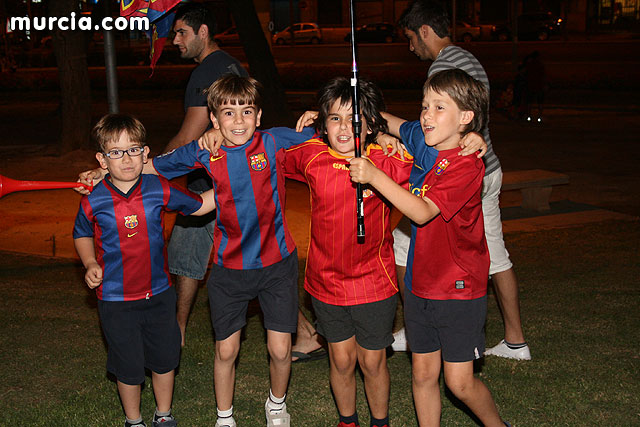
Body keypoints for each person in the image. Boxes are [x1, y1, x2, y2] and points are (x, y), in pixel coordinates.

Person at [101, 75, 314, 427]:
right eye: (228, 113)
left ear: (259, 116)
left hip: (278, 263)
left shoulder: (274, 141)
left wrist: (315, 118)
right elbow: (150, 166)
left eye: (247, 111)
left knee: (280, 349)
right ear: (213, 120)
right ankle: (224, 417)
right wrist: (103, 173)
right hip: (229, 268)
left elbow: (330, 141)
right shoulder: (206, 150)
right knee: (226, 349)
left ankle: (276, 405)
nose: (239, 121)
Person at [349, 68, 511, 427]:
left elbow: (422, 213)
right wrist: (360, 110)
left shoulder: (467, 167)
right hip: (421, 283)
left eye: (439, 107)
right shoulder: (424, 140)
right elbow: (390, 122)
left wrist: (376, 177)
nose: (426, 115)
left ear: (466, 118)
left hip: (458, 290)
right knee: (422, 374)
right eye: (425, 105)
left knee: (459, 383)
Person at [393, 0, 531, 360]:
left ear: (424, 31)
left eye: (411, 38)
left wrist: (470, 142)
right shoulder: (466, 57)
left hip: (463, 173)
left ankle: (418, 326)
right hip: (482, 168)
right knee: (494, 253)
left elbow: (449, 127)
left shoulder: (445, 66)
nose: (411, 48)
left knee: (406, 245)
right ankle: (515, 338)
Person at [284, 77, 414, 427]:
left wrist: (388, 135)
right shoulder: (312, 156)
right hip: (325, 281)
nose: (344, 128)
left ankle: (380, 422)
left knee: (372, 362)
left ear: (370, 122)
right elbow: (258, 148)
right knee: (341, 360)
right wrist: (220, 134)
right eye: (334, 118)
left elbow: (433, 149)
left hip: (375, 280)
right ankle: (347, 421)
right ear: (324, 123)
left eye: (354, 119)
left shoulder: (388, 159)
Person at [73, 114, 216, 427]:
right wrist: (90, 263)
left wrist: (235, 183)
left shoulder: (157, 187)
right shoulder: (94, 199)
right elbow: (81, 232)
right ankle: (134, 420)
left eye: (133, 150)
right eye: (116, 152)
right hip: (115, 299)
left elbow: (200, 205)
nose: (126, 159)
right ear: (102, 159)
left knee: (165, 359)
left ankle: (163, 415)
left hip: (160, 294)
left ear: (145, 153)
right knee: (128, 365)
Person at [165, 2, 248, 347]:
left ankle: (176, 333)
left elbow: (188, 137)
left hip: (211, 184)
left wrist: (150, 168)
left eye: (182, 32)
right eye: (174, 33)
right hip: (241, 180)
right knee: (249, 266)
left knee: (185, 259)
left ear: (203, 32)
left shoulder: (205, 73)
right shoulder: (231, 65)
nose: (175, 41)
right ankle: (303, 334)